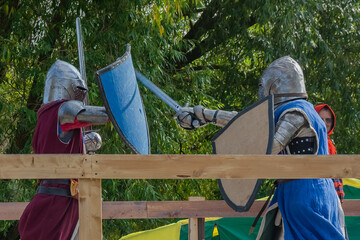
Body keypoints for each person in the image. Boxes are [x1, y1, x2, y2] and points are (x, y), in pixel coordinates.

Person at [176, 56, 346, 239]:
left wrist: (235, 156)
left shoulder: (296, 113)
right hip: (298, 192)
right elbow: (246, 121)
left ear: (275, 84)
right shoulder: (298, 110)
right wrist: (204, 115)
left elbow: (268, 146)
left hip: (306, 195)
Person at [18, 60, 109, 240]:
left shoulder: (45, 119)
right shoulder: (61, 109)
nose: (80, 96)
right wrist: (120, 108)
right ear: (66, 87)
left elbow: (60, 147)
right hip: (56, 201)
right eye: (79, 90)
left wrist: (85, 143)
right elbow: (102, 116)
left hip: (59, 198)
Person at [315, 104, 345, 203]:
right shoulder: (310, 142)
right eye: (320, 119)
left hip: (333, 198)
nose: (324, 123)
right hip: (318, 197)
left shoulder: (331, 145)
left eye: (328, 120)